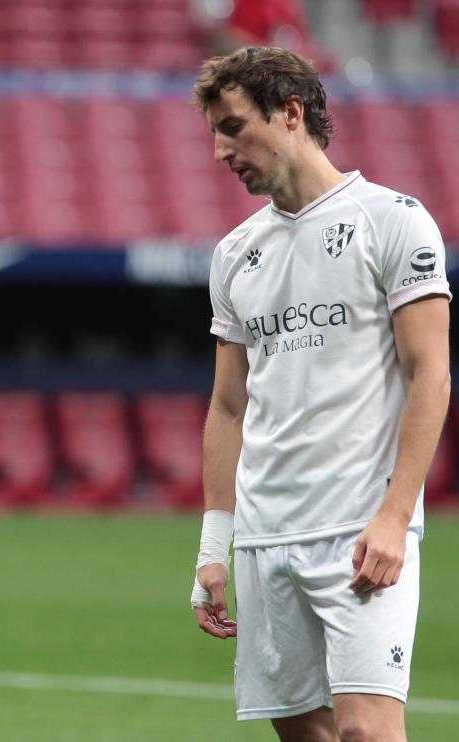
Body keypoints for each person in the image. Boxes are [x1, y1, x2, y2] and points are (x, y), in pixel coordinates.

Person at [188, 47, 450, 741]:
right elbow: (229, 406)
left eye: (234, 127)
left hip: (360, 530)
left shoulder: (392, 221)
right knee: (309, 735)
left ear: (291, 112)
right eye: (214, 132)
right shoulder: (235, 254)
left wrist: (396, 515)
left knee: (367, 732)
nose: (220, 150)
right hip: (268, 535)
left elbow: (432, 374)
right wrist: (216, 544)